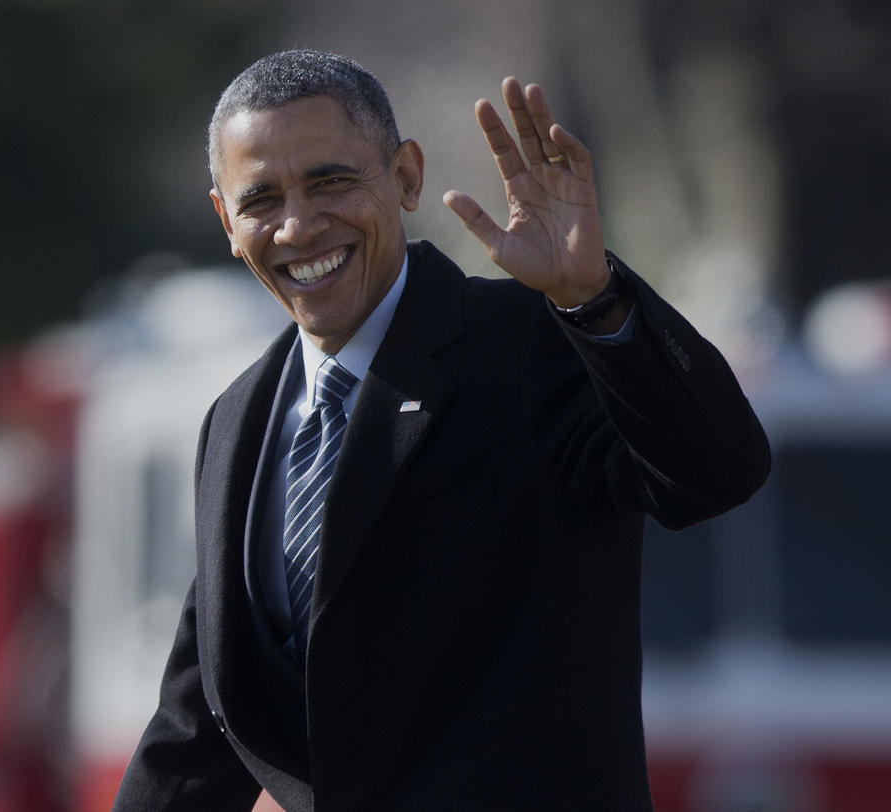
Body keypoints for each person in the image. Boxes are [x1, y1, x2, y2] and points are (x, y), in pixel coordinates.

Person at [112, 49, 770, 811]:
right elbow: (200, 726)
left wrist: (593, 299)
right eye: (262, 199)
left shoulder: (528, 343)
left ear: (406, 177)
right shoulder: (237, 420)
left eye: (331, 181)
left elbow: (718, 471)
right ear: (228, 222)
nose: (298, 225)